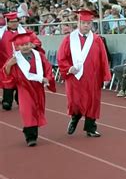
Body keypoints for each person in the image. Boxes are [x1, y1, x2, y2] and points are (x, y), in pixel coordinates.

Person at [57, 10, 111, 138]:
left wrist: (106, 76)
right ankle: (75, 119)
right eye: (83, 23)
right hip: (75, 77)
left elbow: (103, 58)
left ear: (92, 24)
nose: (86, 25)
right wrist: (68, 68)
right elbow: (61, 57)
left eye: (88, 23)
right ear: (78, 23)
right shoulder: (69, 39)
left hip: (93, 76)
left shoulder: (97, 40)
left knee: (92, 101)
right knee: (75, 101)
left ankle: (90, 128)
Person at [1, 32, 56, 147]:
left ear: (31, 44)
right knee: (27, 111)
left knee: (36, 110)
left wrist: (48, 78)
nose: (25, 46)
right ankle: (31, 137)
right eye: (22, 45)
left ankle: (29, 130)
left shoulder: (39, 56)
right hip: (24, 88)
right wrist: (9, 65)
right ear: (17, 47)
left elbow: (48, 68)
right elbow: (6, 74)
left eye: (27, 44)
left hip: (37, 87)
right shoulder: (14, 59)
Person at [0, 12, 43, 111]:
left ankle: (20, 99)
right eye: (12, 22)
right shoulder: (2, 34)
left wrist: (33, 45)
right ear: (7, 22)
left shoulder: (25, 32)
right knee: (8, 82)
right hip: (7, 63)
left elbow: (37, 42)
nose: (15, 23)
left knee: (22, 82)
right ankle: (7, 101)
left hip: (23, 63)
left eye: (16, 21)